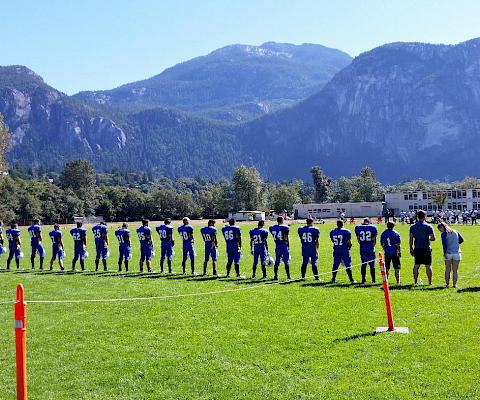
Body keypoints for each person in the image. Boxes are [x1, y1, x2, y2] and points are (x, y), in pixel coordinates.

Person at [409, 210, 435, 285]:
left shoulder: (413, 227)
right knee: (428, 265)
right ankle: (430, 282)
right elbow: (433, 238)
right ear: (425, 216)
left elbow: (411, 239)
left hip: (417, 248)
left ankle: (415, 281)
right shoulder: (429, 226)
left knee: (416, 265)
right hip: (426, 248)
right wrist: (428, 238)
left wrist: (411, 248)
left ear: (417, 216)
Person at [437, 222, 464, 288]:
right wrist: (455, 244)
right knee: (455, 270)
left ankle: (447, 284)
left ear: (442, 228)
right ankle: (454, 285)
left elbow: (444, 245)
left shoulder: (443, 234)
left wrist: (445, 253)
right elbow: (461, 240)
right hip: (457, 253)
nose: (440, 231)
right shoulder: (455, 231)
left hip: (448, 253)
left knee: (447, 269)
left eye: (440, 229)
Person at [354, 218, 378, 283]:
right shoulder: (373, 227)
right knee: (372, 264)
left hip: (362, 247)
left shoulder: (358, 227)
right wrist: (372, 246)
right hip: (370, 247)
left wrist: (362, 244)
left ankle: (363, 280)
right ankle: (373, 280)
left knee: (363, 263)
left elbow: (358, 239)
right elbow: (374, 239)